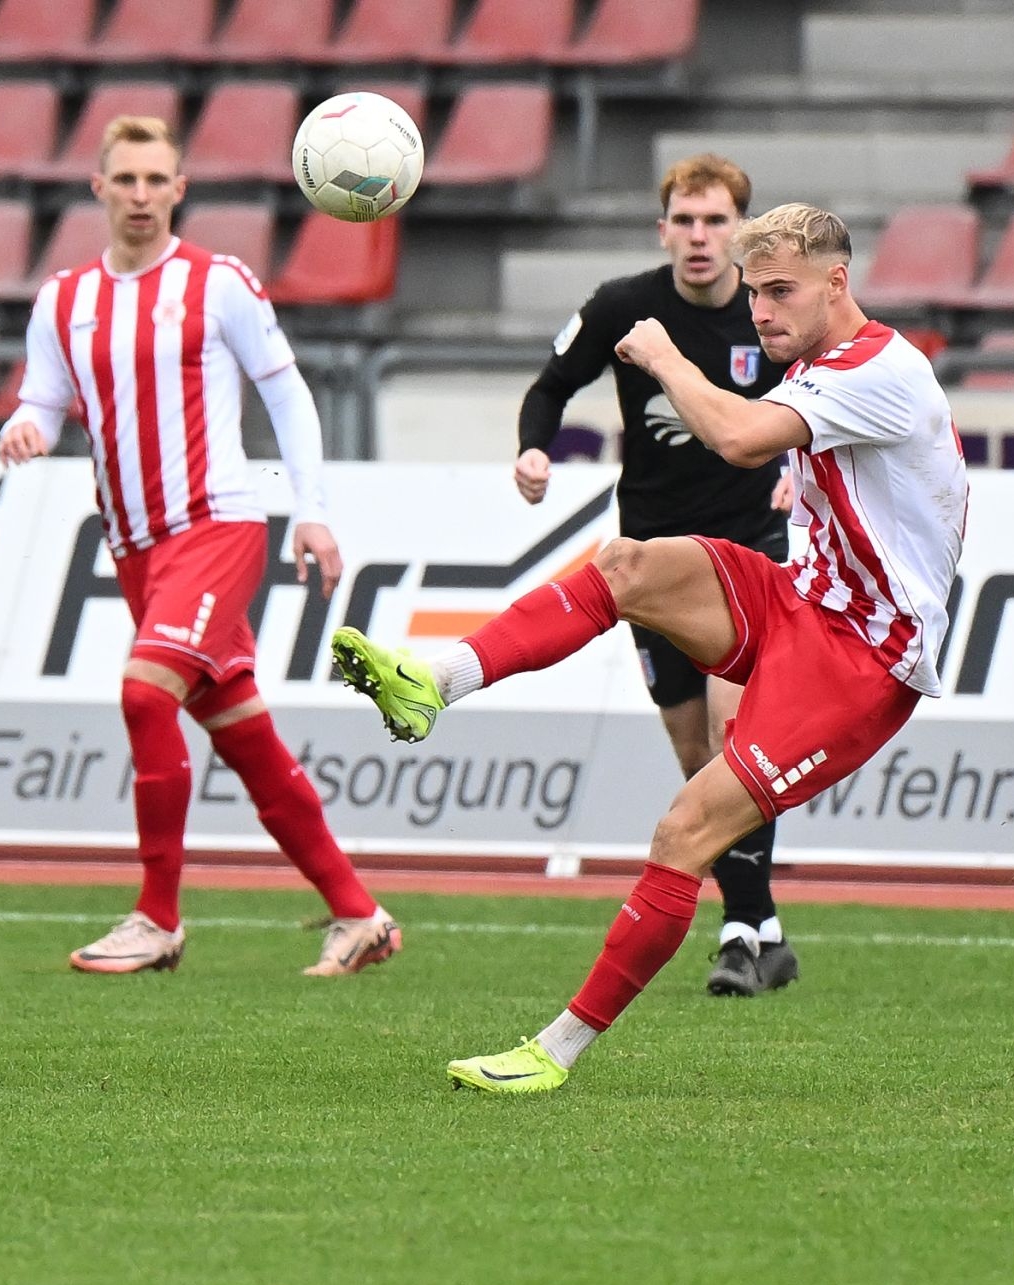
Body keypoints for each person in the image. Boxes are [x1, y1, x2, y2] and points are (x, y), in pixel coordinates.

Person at [332, 203, 967, 1092]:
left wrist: (667, 356)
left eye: (780, 292)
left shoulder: (880, 368)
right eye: (755, 294)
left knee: (684, 829)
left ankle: (555, 1051)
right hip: (802, 600)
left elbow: (739, 438)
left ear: (838, 283)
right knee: (626, 564)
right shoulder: (821, 362)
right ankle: (434, 681)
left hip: (861, 657)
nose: (761, 311)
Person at [0, 115, 403, 977]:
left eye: (157, 179)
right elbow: (42, 398)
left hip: (217, 526)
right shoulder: (63, 299)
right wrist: (24, 428)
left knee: (145, 694)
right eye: (126, 179)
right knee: (245, 736)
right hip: (135, 548)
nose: (141, 195)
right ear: (99, 188)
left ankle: (158, 917)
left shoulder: (218, 283)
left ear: (179, 190)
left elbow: (287, 395)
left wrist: (311, 509)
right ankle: (359, 914)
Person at [515, 154, 799, 998]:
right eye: (686, 220)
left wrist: (801, 469)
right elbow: (550, 385)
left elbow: (827, 403)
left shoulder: (771, 312)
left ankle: (740, 935)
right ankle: (763, 924)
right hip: (650, 558)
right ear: (663, 228)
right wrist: (533, 449)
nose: (700, 237)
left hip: (749, 549)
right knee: (692, 751)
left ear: (741, 232)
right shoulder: (622, 307)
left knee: (733, 737)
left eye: (716, 221)